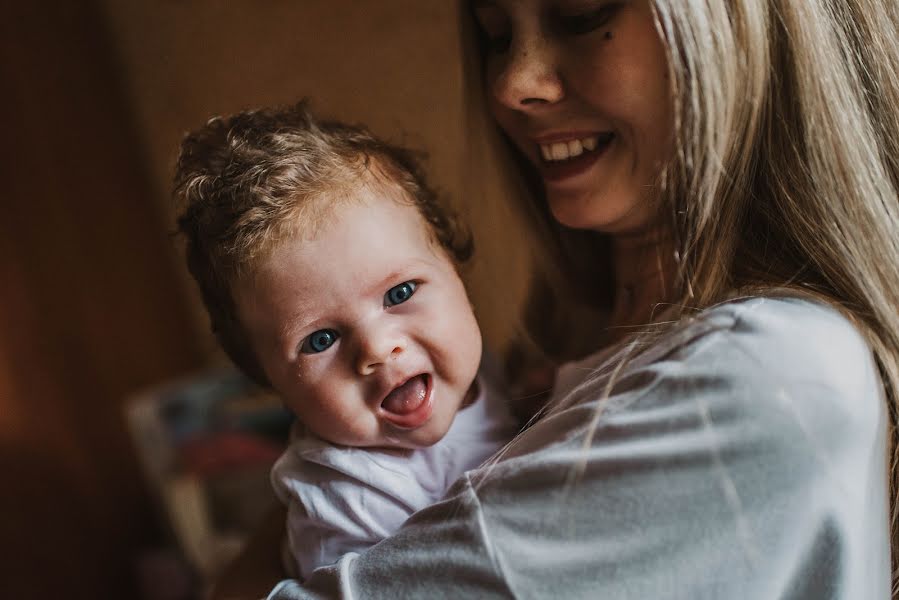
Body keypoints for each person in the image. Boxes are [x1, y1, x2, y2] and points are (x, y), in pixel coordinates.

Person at [218, 0, 899, 598]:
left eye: (581, 14)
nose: (512, 85)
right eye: (493, 33)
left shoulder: (768, 370)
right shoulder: (562, 334)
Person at [173, 104, 519, 580]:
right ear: (265, 376)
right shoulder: (343, 502)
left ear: (453, 269)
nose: (377, 349)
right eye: (321, 339)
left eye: (400, 293)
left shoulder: (486, 375)